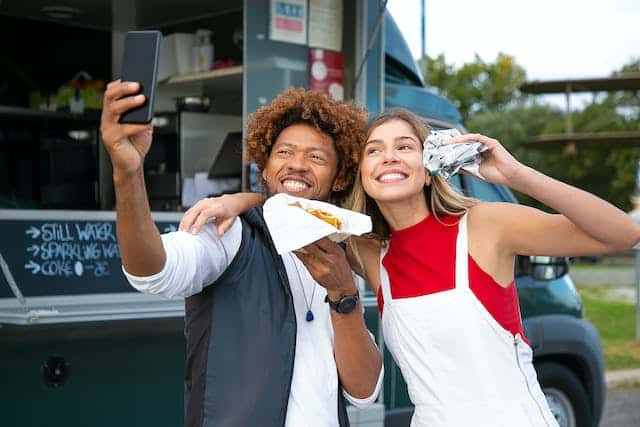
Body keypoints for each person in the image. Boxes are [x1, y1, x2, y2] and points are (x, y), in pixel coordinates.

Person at [191, 107, 640, 426]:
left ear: (427, 169)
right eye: (374, 150)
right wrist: (237, 199)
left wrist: (516, 175)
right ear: (360, 174)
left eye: (405, 146)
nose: (389, 156)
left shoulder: (485, 225)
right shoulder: (366, 251)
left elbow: (622, 234)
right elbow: (287, 204)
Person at [99, 83, 383, 427]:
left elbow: (364, 393)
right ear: (264, 168)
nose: (297, 165)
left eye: (316, 157)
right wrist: (128, 173)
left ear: (339, 178)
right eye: (284, 153)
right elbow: (152, 270)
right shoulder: (233, 234)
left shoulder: (341, 251)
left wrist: (343, 295)